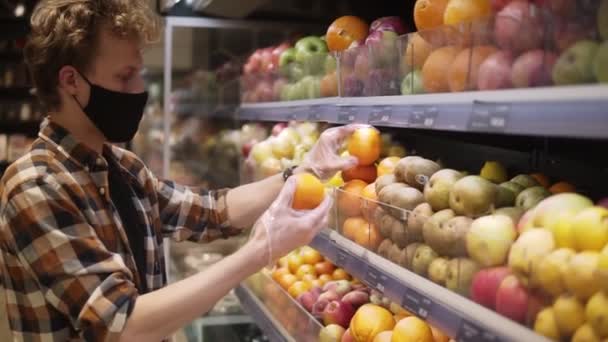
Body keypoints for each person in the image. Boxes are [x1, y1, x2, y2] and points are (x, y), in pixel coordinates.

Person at [0, 1, 361, 341]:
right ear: (71, 81)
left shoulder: (122, 167)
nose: (139, 90)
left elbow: (210, 211)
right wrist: (259, 252)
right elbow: (122, 327)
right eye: (125, 77)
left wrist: (303, 170)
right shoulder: (36, 187)